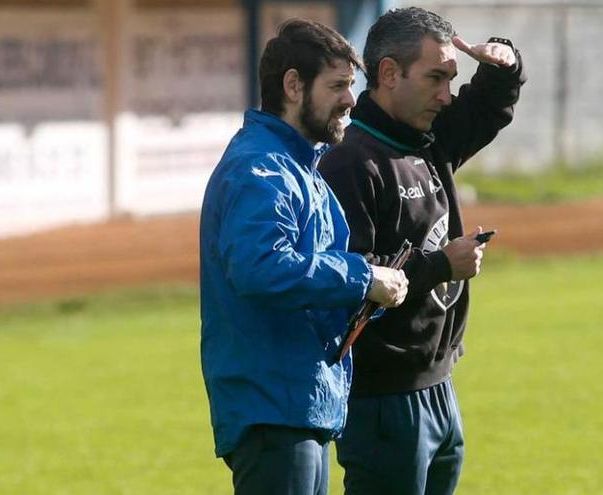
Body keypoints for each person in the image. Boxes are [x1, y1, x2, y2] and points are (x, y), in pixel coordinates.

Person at [318, 7, 526, 495]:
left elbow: (489, 106)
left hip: (438, 384)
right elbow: (352, 285)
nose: (446, 94)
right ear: (389, 73)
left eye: (451, 78)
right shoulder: (352, 161)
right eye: (436, 77)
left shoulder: (429, 139)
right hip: (384, 397)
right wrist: (440, 266)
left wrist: (503, 61)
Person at [199, 19, 408, 495]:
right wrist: (362, 278)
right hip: (274, 406)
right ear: (293, 85)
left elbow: (310, 288)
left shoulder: (299, 167)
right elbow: (261, 268)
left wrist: (368, 296)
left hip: (300, 402)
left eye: (351, 86)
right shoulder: (261, 167)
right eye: (337, 86)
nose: (351, 100)